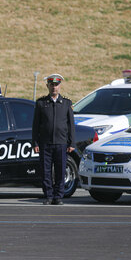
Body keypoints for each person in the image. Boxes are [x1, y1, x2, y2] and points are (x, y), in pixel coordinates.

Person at [32, 74, 75, 205]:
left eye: (56, 85)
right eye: (52, 85)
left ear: (60, 86)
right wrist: (35, 142)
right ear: (47, 86)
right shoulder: (41, 103)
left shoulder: (66, 103)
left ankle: (58, 196)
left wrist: (71, 142)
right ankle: (49, 196)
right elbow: (36, 125)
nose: (54, 87)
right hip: (45, 143)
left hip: (61, 143)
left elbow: (71, 125)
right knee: (46, 171)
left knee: (60, 171)